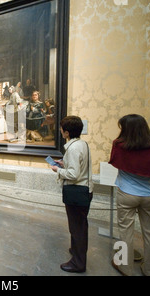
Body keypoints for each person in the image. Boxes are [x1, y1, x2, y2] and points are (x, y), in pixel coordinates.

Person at [109, 114, 150, 276]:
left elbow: (115, 162)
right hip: (149, 195)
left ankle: (125, 267)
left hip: (126, 193)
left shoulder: (119, 146)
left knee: (125, 231)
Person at [51, 116, 92, 273]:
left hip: (77, 191)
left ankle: (78, 263)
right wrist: (64, 163)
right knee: (79, 226)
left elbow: (74, 175)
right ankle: (76, 251)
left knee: (77, 229)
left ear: (66, 132)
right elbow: (79, 166)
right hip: (85, 189)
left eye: (61, 129)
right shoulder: (81, 144)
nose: (60, 131)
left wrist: (58, 170)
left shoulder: (73, 148)